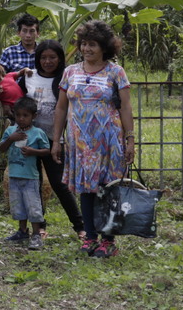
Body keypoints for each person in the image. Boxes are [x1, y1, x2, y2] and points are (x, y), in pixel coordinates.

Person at [52, 20, 134, 259]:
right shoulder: (70, 72)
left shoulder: (115, 72)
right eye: (84, 44)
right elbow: (60, 108)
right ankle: (90, 237)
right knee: (86, 189)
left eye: (93, 45)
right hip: (79, 141)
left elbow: (126, 108)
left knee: (108, 189)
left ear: (104, 47)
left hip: (108, 140)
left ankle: (108, 240)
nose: (87, 49)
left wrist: (130, 140)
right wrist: (56, 140)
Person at [16, 40, 84, 237]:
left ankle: (80, 227)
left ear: (60, 59)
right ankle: (40, 226)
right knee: (33, 183)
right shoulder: (29, 77)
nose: (47, 61)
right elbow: (16, 99)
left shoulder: (67, 78)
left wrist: (58, 139)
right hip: (29, 140)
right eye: (43, 57)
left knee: (59, 184)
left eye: (52, 57)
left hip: (55, 140)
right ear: (37, 59)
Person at [0, 97, 50, 250]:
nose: (21, 119)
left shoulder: (37, 133)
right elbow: (2, 148)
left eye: (25, 115)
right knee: (18, 206)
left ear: (33, 116)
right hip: (14, 175)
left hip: (30, 177)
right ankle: (22, 231)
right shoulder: (10, 131)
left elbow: (46, 151)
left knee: (33, 206)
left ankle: (36, 234)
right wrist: (10, 139)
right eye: (18, 115)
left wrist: (33, 151)